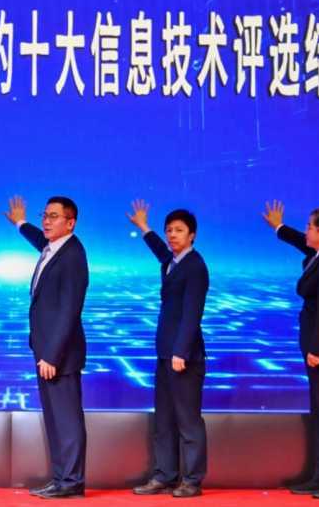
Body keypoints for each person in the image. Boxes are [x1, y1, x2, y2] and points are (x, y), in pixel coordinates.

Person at [262, 201, 319, 499]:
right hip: (316, 347)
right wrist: (279, 227)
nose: (306, 232)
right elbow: (302, 245)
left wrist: (318, 348)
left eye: (309, 227)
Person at [4, 195, 89, 499]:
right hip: (46, 351)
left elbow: (70, 309)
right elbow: (40, 240)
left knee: (66, 420)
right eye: (45, 215)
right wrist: (20, 223)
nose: (47, 221)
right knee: (55, 420)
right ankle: (61, 478)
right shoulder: (54, 247)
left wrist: (52, 355)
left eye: (54, 216)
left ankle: (71, 482)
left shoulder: (73, 255)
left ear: (71, 222)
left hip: (59, 355)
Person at [127, 201, 209, 498]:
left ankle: (192, 480)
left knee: (188, 421)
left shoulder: (196, 266)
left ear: (192, 235)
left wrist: (180, 352)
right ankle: (164, 475)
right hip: (164, 354)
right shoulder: (172, 262)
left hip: (183, 357)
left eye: (179, 231)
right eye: (169, 230)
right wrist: (144, 228)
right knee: (163, 420)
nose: (172, 235)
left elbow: (192, 313)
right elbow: (161, 251)